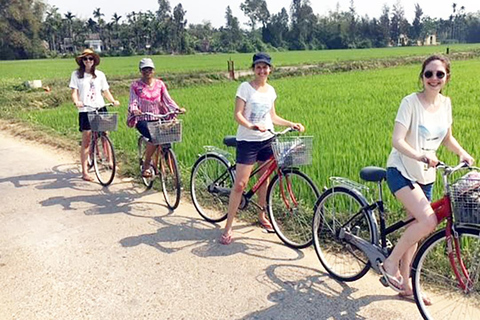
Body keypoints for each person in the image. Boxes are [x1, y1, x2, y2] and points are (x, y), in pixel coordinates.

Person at [381, 55, 474, 304]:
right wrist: (421, 155)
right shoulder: (410, 103)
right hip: (401, 170)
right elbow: (397, 141)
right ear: (422, 76)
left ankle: (407, 286)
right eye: (429, 74)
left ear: (446, 78)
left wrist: (462, 153)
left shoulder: (446, 104)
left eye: (439, 74)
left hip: (426, 175)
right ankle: (389, 262)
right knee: (428, 220)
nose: (434, 79)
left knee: (417, 229)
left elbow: (446, 138)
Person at [220, 52, 305, 245]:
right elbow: (238, 115)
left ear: (270, 69)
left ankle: (262, 216)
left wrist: (291, 123)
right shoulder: (245, 88)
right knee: (240, 185)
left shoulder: (271, 90)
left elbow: (273, 116)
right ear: (254, 69)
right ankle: (228, 227)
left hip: (267, 139)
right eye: (258, 67)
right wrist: (252, 126)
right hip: (248, 141)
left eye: (265, 67)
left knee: (264, 180)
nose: (262, 70)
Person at [127, 58, 185, 178]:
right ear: (140, 71)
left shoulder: (159, 84)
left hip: (158, 117)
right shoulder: (135, 86)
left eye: (149, 69)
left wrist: (177, 108)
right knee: (154, 138)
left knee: (166, 143)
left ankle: (175, 176)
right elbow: (132, 101)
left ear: (153, 70)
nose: (147, 71)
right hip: (142, 119)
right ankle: (146, 166)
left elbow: (168, 99)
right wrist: (135, 110)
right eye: (144, 69)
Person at [69, 49, 120, 182]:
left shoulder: (100, 75)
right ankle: (85, 171)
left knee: (105, 134)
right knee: (87, 139)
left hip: (100, 107)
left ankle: (110, 161)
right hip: (86, 110)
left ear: (94, 61)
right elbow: (74, 92)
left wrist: (113, 101)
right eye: (85, 59)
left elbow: (105, 91)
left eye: (91, 59)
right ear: (82, 61)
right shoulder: (76, 75)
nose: (88, 61)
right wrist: (77, 101)